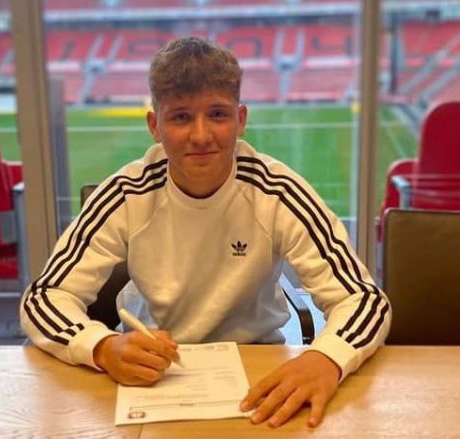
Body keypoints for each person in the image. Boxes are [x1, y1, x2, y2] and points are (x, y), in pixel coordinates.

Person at [20, 36, 391, 428]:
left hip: (257, 367)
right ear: (155, 126)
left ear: (241, 120)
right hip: (152, 374)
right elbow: (44, 298)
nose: (200, 135)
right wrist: (102, 347)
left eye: (217, 114)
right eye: (181, 117)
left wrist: (327, 358)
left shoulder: (278, 192)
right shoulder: (125, 194)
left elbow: (364, 300)